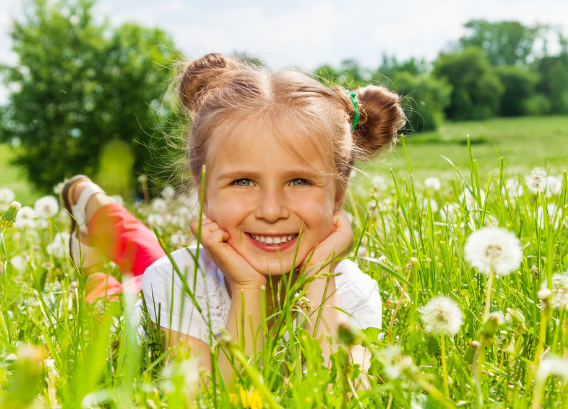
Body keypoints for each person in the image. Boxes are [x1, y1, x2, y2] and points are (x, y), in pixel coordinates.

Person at [62, 53, 406, 384]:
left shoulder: (352, 291)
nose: (272, 211)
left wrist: (318, 275)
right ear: (203, 190)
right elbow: (217, 396)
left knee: (152, 260)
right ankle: (100, 238)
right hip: (157, 290)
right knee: (113, 297)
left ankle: (105, 215)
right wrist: (247, 288)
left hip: (188, 268)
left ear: (338, 194)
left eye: (299, 181)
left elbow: (345, 394)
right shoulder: (173, 283)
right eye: (243, 181)